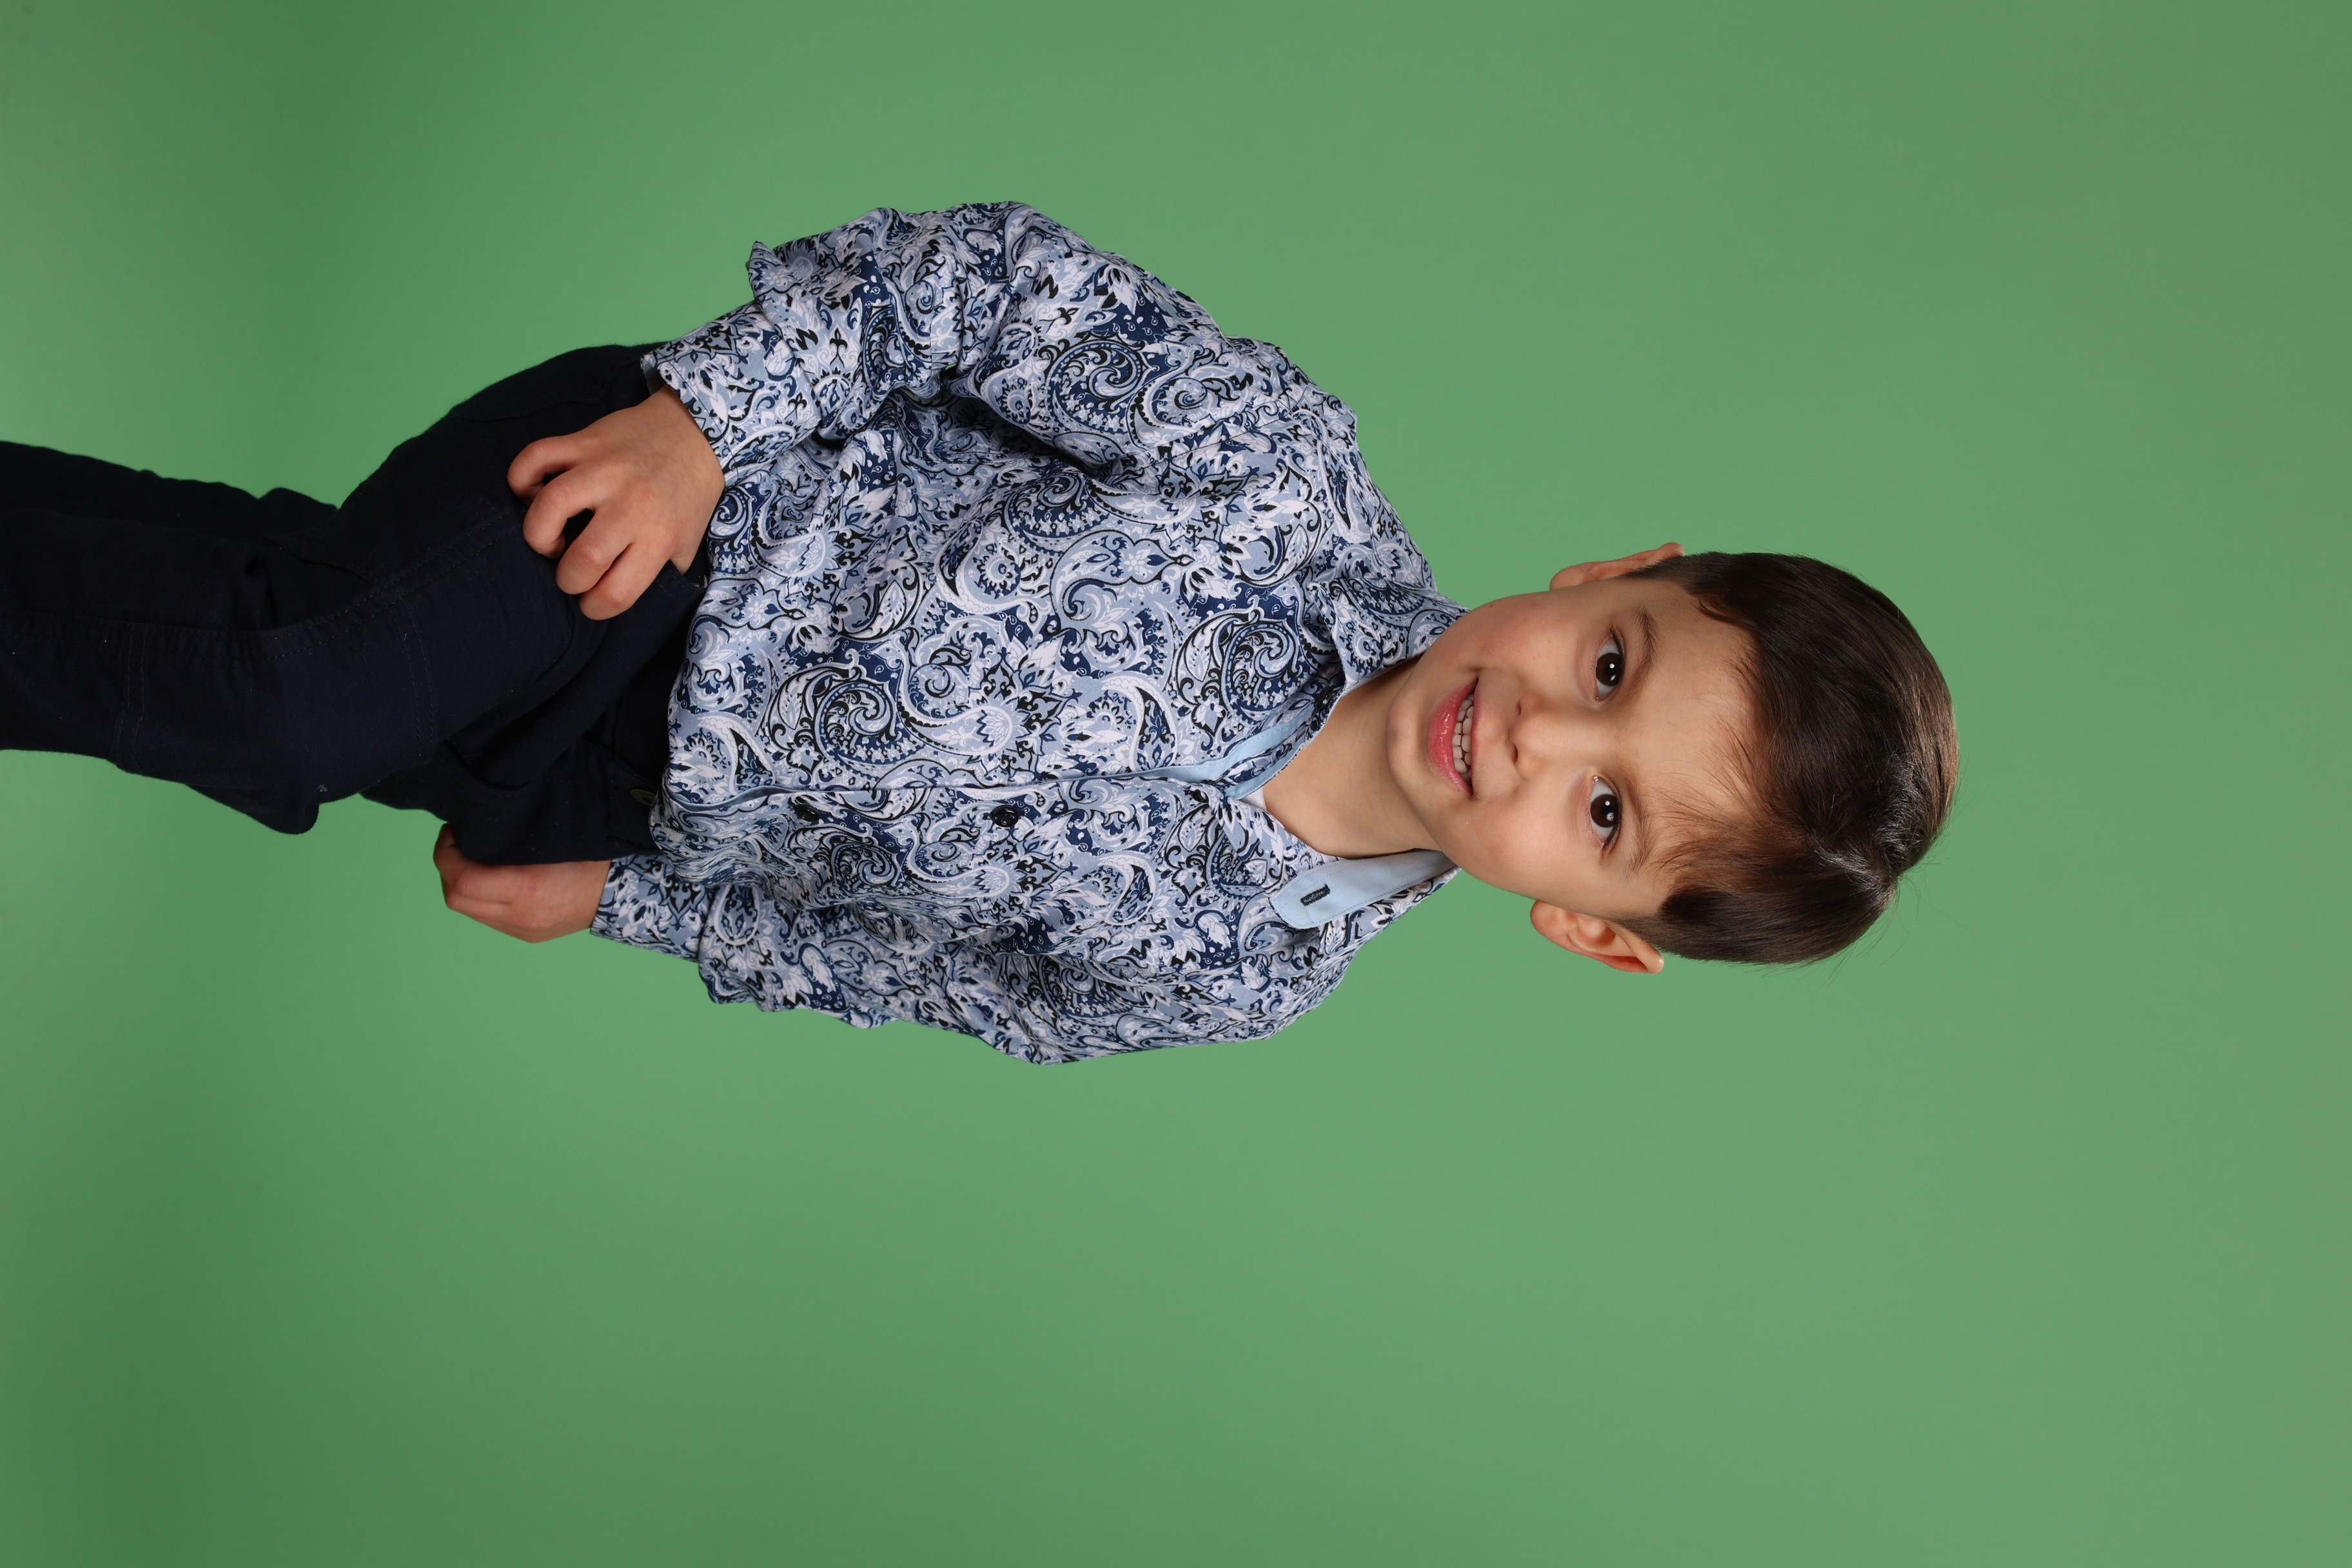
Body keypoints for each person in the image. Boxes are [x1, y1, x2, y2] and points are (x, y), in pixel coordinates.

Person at [0, 203, 1956, 1063]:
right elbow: (982, 293)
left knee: (233, 621)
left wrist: (634, 904)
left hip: (622, 790)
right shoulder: (1276, 477)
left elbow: (931, 976)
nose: (1536, 736)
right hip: (671, 526)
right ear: (1617, 569)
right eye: (1609, 667)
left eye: (1605, 814)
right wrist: (708, 421)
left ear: (1597, 928)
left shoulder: (1242, 978)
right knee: (290, 693)